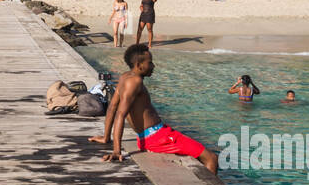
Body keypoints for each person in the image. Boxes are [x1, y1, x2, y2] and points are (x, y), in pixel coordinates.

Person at [89, 44, 218, 173]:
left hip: (149, 137)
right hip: (158, 138)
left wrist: (106, 137)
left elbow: (112, 107)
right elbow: (120, 114)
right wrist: (117, 151)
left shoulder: (124, 77)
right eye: (150, 63)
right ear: (139, 65)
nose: (153, 66)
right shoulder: (135, 82)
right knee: (211, 158)